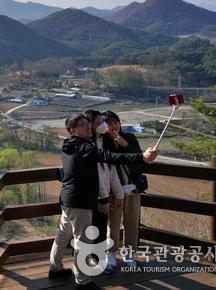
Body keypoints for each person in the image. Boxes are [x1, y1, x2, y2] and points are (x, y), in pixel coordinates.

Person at [48, 114, 159, 289]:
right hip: (80, 201)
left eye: (88, 124)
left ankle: (55, 268)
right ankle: (83, 282)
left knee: (63, 234)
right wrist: (141, 157)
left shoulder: (68, 144)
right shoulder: (85, 147)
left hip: (68, 199)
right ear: (72, 131)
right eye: (84, 125)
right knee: (82, 241)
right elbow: (109, 157)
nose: (89, 127)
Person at [83, 109, 124, 274]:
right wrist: (104, 199)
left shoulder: (103, 141)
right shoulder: (88, 145)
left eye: (103, 122)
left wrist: (118, 193)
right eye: (99, 123)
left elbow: (111, 170)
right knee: (89, 231)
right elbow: (98, 174)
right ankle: (89, 264)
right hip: (94, 197)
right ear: (90, 125)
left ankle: (98, 262)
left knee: (98, 229)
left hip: (103, 195)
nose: (104, 125)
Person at [102, 110, 144, 270]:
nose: (114, 126)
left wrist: (125, 146)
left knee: (132, 223)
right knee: (112, 224)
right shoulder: (102, 142)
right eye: (110, 123)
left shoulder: (130, 138)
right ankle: (111, 254)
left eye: (116, 122)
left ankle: (129, 255)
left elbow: (140, 162)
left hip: (132, 189)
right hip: (113, 192)